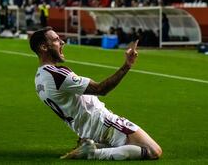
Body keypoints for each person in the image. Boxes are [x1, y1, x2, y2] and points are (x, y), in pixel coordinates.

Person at [30, 27, 162, 160]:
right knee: (154, 151)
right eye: (56, 40)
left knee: (139, 148)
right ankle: (92, 152)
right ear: (44, 47)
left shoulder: (39, 79)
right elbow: (100, 89)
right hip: (102, 123)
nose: (62, 42)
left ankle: (93, 146)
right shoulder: (57, 75)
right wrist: (127, 65)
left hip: (86, 130)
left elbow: (71, 105)